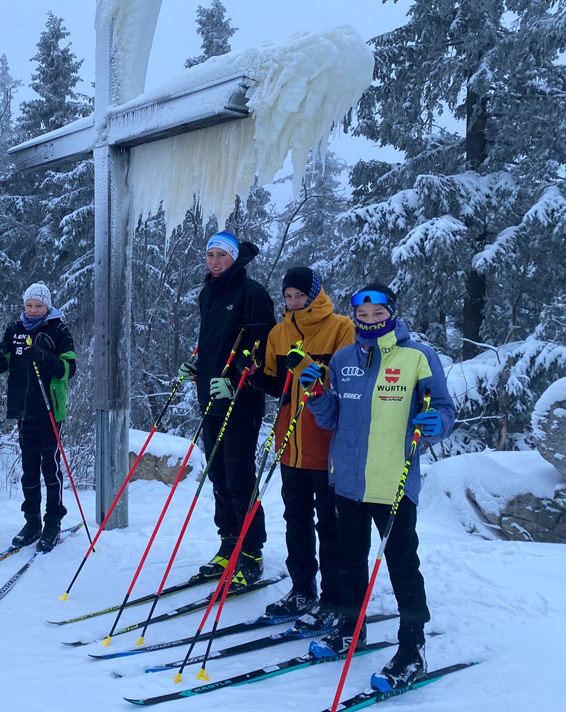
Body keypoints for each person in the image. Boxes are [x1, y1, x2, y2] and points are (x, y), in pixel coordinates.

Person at [304, 283, 455, 690]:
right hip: (349, 483)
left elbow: (443, 408)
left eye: (377, 314)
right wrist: (316, 394)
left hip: (394, 482)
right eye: (363, 315)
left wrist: (435, 424)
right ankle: (352, 629)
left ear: (391, 313)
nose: (370, 321)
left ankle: (412, 648)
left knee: (403, 566)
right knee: (348, 562)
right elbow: (332, 417)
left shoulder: (418, 357)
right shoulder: (343, 358)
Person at [255, 267, 353, 628]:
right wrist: (252, 377)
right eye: (288, 297)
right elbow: (273, 382)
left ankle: (334, 595)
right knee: (295, 519)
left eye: (300, 296)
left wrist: (312, 368)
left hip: (324, 442)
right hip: (289, 443)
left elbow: (348, 380)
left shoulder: (341, 327)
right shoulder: (279, 333)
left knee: (329, 523)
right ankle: (301, 588)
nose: (294, 303)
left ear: (314, 294)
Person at [180, 232, 276, 586]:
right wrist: (197, 362)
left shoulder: (252, 294)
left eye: (222, 255)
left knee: (238, 475)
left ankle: (251, 551)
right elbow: (211, 340)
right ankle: (229, 543)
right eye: (210, 254)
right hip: (210, 394)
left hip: (241, 398)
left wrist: (237, 378)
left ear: (235, 257)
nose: (215, 261)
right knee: (217, 473)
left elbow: (264, 348)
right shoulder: (208, 293)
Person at [0, 282, 76, 552]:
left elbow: (69, 370)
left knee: (51, 469)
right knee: (29, 469)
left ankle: (53, 521)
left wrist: (45, 358)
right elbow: (1, 369)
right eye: (29, 305)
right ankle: (32, 520)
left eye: (39, 305)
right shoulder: (15, 329)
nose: (33, 310)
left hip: (49, 408)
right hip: (23, 407)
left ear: (47, 306)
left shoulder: (58, 329)